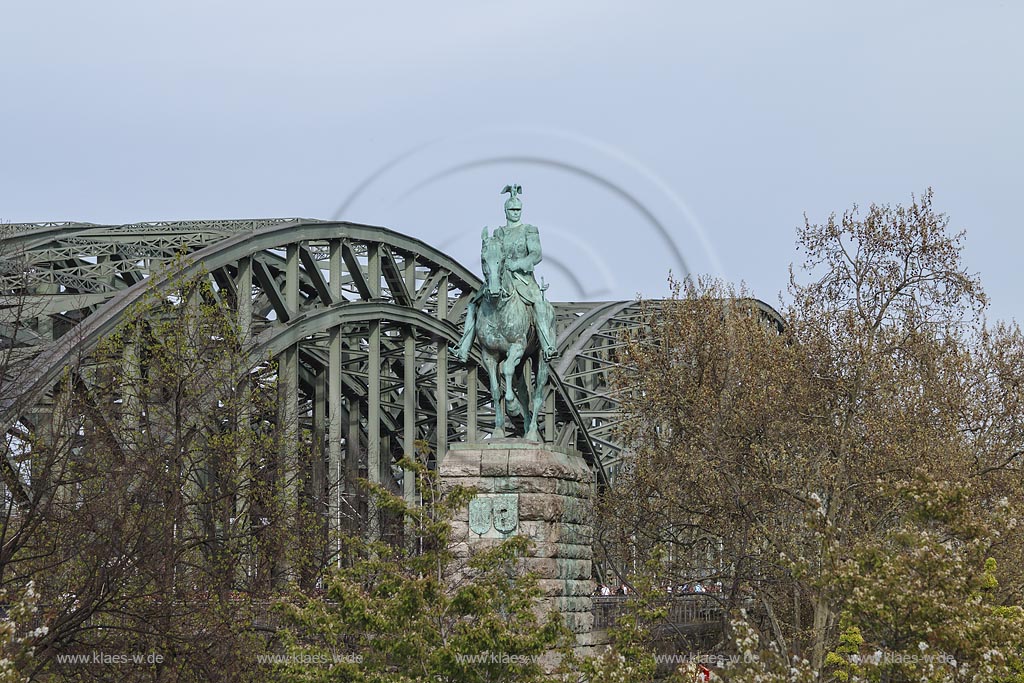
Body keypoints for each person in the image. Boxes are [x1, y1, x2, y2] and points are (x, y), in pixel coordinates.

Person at [454, 184, 558, 363]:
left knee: (540, 305)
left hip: (523, 280)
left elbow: (536, 254)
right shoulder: (498, 233)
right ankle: (463, 346)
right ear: (506, 211)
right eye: (512, 209)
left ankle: (547, 345)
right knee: (473, 305)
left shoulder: (529, 230)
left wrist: (518, 263)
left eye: (518, 209)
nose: (515, 212)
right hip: (500, 279)